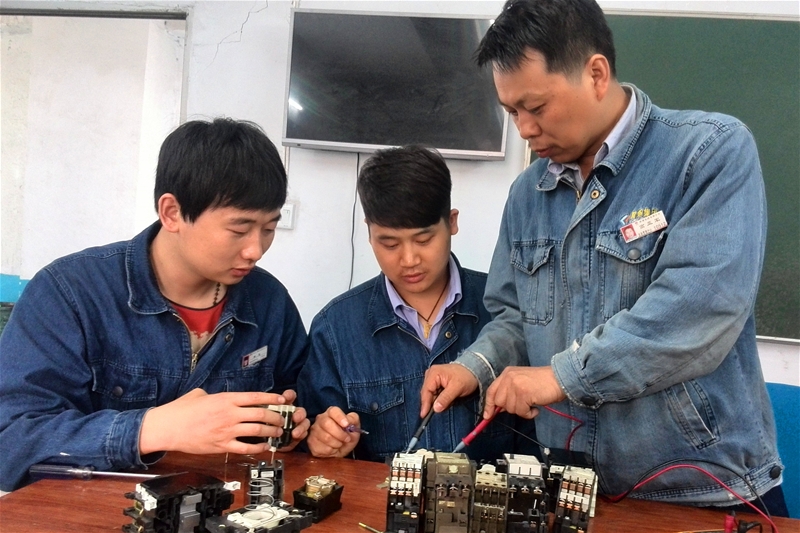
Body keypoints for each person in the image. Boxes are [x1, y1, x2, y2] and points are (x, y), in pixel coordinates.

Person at [420, 0, 788, 515]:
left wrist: (560, 376)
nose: (523, 129)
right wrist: (476, 366)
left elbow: (699, 308)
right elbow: (516, 317)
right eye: (511, 111)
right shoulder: (528, 194)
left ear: (596, 73)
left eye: (536, 107)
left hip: (702, 491)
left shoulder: (708, 154)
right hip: (572, 488)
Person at [0, 118, 310, 492]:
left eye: (269, 228)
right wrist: (153, 429)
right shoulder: (71, 293)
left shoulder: (269, 301)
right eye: (239, 230)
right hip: (92, 511)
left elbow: (299, 405)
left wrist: (298, 430)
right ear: (172, 212)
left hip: (222, 509)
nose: (255, 250)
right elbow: (11, 441)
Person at [297, 145, 531, 462]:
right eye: (389, 243)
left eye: (423, 240)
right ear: (369, 233)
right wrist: (321, 437)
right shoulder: (335, 329)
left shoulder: (506, 312)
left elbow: (537, 438)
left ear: (452, 222)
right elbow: (311, 441)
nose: (409, 260)